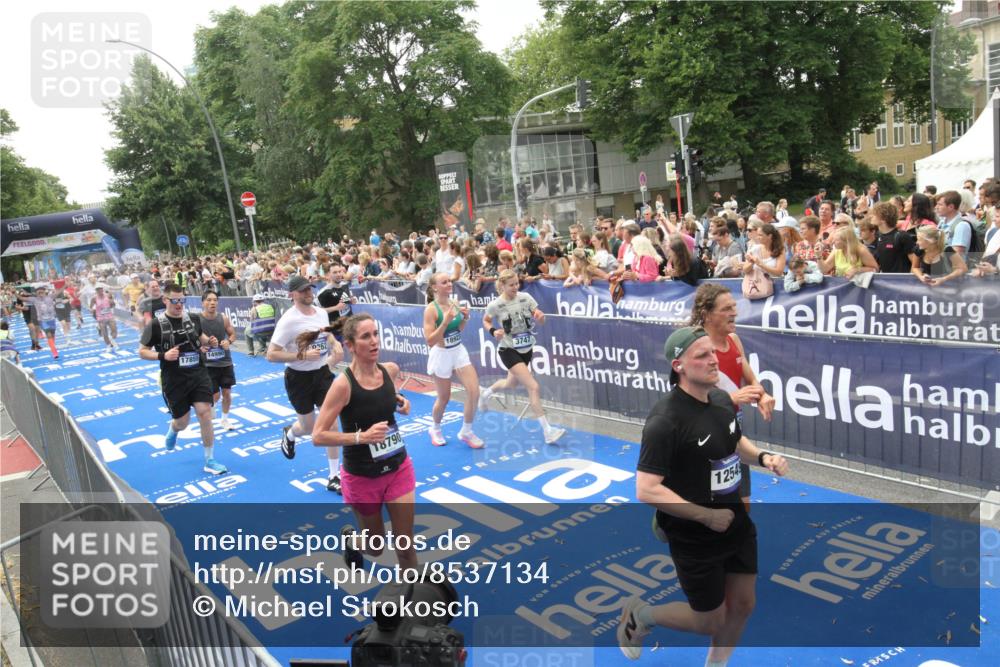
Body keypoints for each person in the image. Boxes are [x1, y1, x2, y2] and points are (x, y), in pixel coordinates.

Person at [619, 327, 789, 663]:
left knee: (743, 605)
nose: (714, 360)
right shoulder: (664, 421)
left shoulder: (722, 400)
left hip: (735, 523)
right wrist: (706, 516)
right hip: (694, 535)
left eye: (713, 352)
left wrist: (762, 458)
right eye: (702, 356)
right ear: (679, 365)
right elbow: (646, 488)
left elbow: (733, 441)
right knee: (709, 620)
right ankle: (642, 616)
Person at [311, 314, 416, 571]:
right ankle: (352, 541)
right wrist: (362, 437)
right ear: (349, 345)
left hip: (397, 467)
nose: (374, 342)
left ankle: (416, 606)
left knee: (405, 546)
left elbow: (386, 396)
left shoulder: (389, 370)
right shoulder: (342, 386)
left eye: (375, 334)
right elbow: (318, 435)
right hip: (362, 476)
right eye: (365, 336)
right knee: (375, 547)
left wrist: (399, 401)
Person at [689, 284, 777, 511]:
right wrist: (734, 397)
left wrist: (762, 395)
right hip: (705, 437)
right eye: (727, 308)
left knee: (742, 505)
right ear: (707, 314)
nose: (734, 313)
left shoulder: (734, 341)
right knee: (710, 507)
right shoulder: (696, 348)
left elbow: (750, 378)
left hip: (733, 432)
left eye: (734, 307)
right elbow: (691, 401)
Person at [267, 275, 345, 493]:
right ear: (292, 295)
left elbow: (325, 333)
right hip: (298, 378)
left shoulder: (320, 312)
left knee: (331, 424)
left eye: (309, 289)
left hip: (322, 374)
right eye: (303, 291)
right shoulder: (288, 320)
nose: (309, 293)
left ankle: (334, 476)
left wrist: (334, 343)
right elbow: (271, 354)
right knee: (309, 427)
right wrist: (300, 355)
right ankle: (290, 434)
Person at [138, 282, 227, 475]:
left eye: (182, 300)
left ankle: (209, 459)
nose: (179, 304)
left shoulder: (193, 318)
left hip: (198, 373)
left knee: (205, 412)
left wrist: (209, 341)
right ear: (165, 300)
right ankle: (174, 429)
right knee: (183, 422)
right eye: (175, 301)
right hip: (174, 379)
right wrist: (163, 355)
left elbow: (200, 336)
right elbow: (142, 352)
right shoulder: (155, 325)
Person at [478, 270, 565, 444]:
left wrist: (541, 318)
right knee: (533, 387)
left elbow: (539, 317)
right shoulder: (496, 304)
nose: (515, 287)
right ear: (502, 286)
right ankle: (548, 431)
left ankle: (485, 394)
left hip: (526, 348)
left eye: (517, 283)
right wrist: (493, 331)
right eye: (511, 285)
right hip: (508, 350)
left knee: (510, 383)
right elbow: (486, 320)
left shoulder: (525, 298)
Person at [422, 273, 484, 448]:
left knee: (474, 391)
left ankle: (467, 430)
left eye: (449, 281)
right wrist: (445, 322)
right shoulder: (431, 309)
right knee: (444, 398)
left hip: (458, 351)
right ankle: (435, 428)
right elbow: (430, 341)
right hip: (441, 354)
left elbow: (459, 329)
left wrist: (464, 318)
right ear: (435, 287)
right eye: (444, 282)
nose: (449, 284)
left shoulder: (454, 303)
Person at [199, 290, 238, 431]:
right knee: (215, 395)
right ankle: (212, 407)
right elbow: (192, 339)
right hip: (207, 364)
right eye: (209, 300)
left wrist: (229, 341)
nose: (212, 303)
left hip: (225, 362)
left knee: (227, 393)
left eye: (215, 300)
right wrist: (200, 347)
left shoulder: (223, 318)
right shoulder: (197, 320)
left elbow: (233, 334)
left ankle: (225, 420)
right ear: (203, 303)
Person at [30, 285, 59, 359]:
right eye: (38, 292)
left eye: (42, 291)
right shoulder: (35, 300)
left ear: (44, 292)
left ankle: (52, 345)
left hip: (52, 319)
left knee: (52, 336)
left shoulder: (50, 298)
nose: (40, 293)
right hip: (43, 321)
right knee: (49, 335)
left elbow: (55, 300)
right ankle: (54, 352)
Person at [92, 284, 119, 351]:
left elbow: (113, 304)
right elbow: (91, 307)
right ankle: (108, 345)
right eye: (98, 289)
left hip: (109, 316)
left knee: (114, 330)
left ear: (103, 289)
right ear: (96, 291)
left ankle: (112, 340)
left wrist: (112, 303)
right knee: (104, 333)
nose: (99, 290)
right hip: (100, 317)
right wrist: (94, 312)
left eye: (100, 289)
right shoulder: (94, 298)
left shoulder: (108, 296)